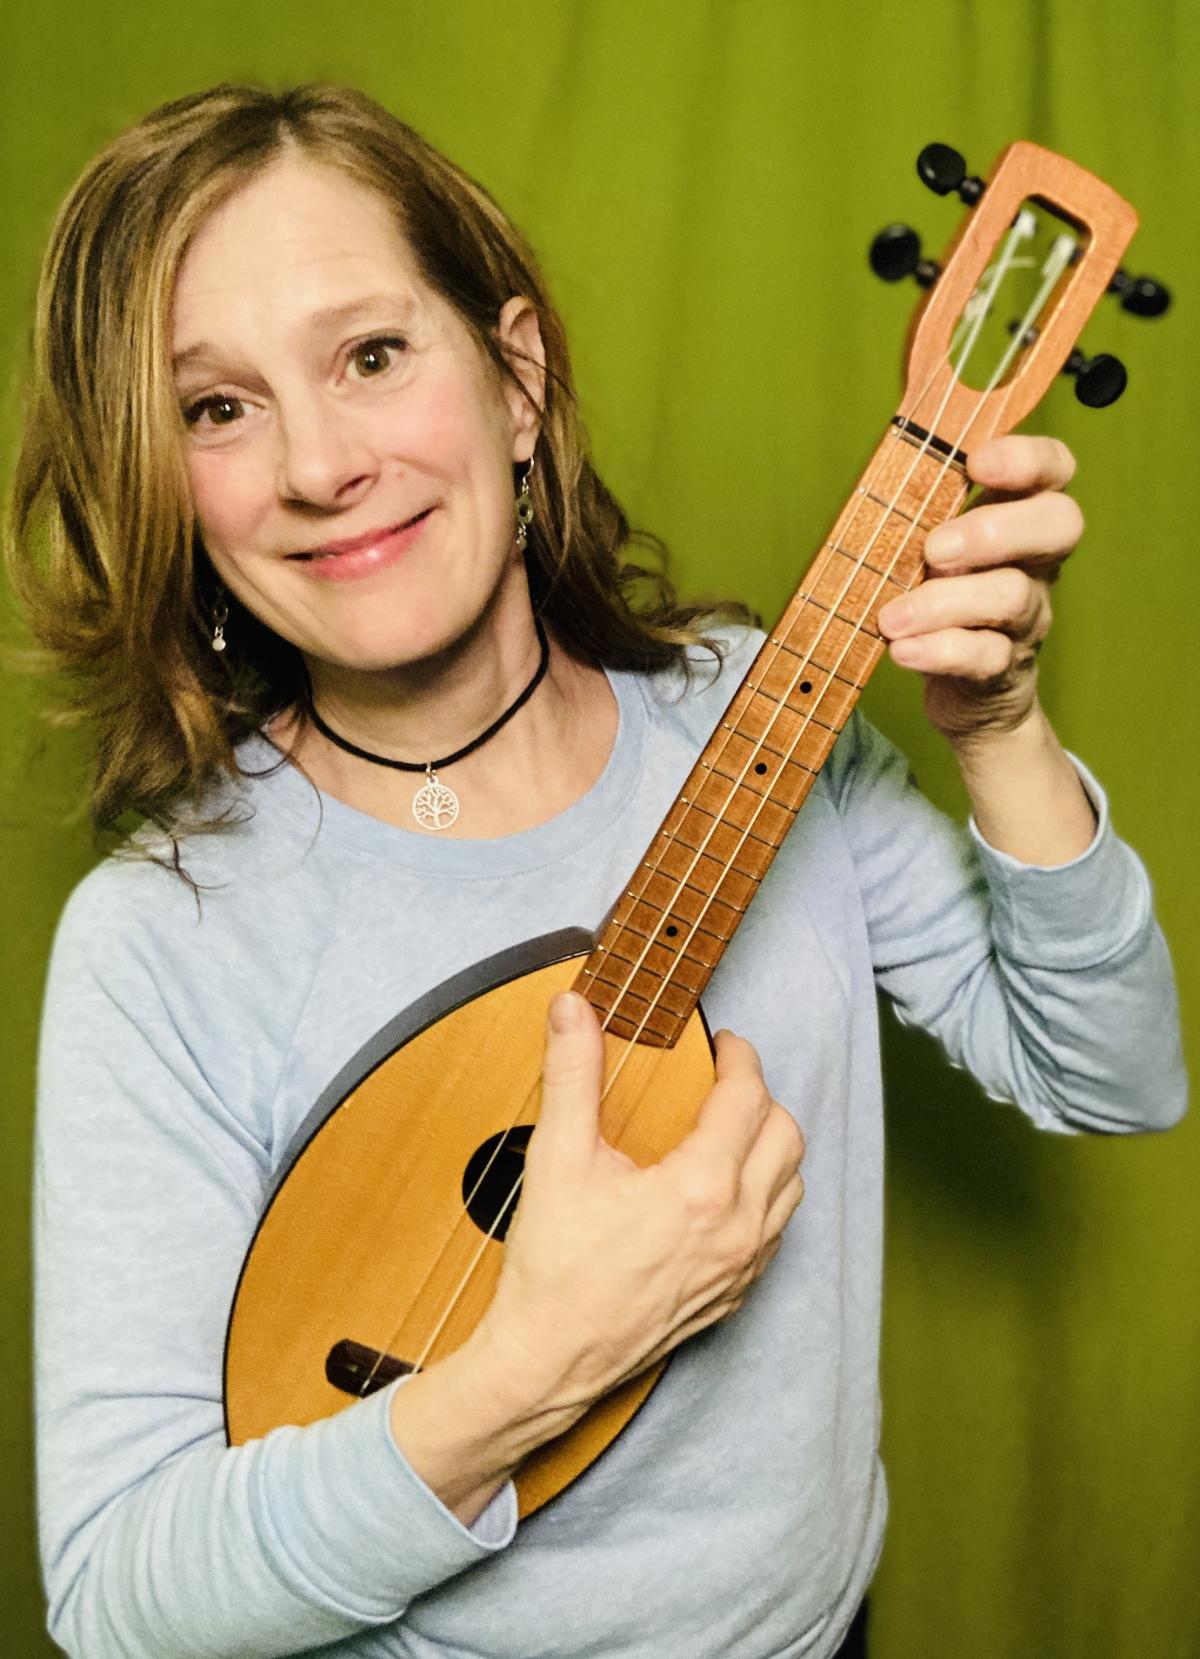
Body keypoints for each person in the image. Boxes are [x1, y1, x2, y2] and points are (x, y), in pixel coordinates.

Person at [11, 81, 1184, 1659]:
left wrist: (1005, 733)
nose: (319, 463)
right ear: (165, 480)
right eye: (216, 407)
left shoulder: (770, 722)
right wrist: (539, 1364)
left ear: (513, 377)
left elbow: (1112, 1076)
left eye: (371, 354)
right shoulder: (159, 938)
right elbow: (116, 1601)